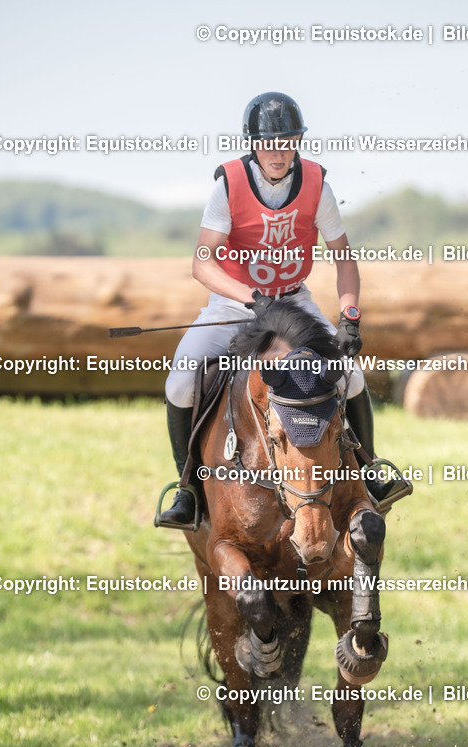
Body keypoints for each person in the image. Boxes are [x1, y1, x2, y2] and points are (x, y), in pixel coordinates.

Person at [160, 91, 393, 527]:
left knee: (353, 376)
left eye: (287, 142)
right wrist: (253, 298)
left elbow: (344, 258)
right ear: (253, 144)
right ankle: (187, 489)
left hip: (293, 300)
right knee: (181, 381)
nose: (278, 153)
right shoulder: (229, 184)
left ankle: (371, 471)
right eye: (269, 144)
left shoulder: (317, 185)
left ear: (298, 141)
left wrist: (349, 316)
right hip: (235, 302)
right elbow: (202, 263)